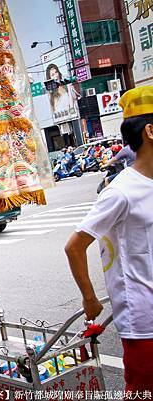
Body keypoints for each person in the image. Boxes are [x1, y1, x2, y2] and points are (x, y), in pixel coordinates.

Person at [64, 86, 153, 392]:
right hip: (143, 321)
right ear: (150, 131)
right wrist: (89, 298)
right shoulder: (121, 192)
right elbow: (74, 246)